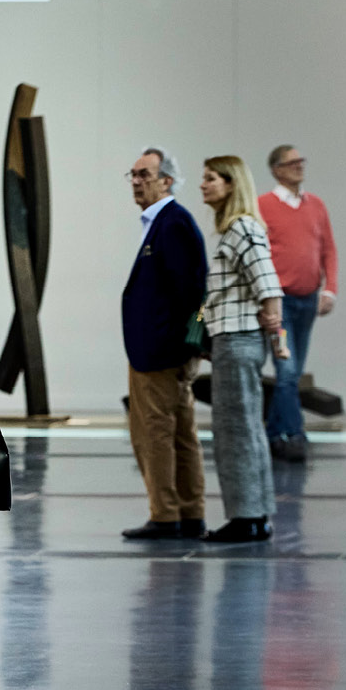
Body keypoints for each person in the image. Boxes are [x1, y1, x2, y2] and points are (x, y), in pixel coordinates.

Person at [120, 149, 208, 541]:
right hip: (163, 351)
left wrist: (174, 346)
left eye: (145, 174)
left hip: (159, 354)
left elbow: (189, 291)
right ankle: (189, 512)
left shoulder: (172, 223)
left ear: (167, 181)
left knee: (154, 434)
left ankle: (165, 514)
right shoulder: (165, 222)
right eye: (133, 174)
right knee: (180, 433)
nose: (137, 181)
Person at [200, 155, 284, 544]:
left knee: (235, 431)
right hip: (234, 339)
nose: (203, 185)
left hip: (237, 341)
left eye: (211, 178)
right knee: (245, 428)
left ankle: (246, 517)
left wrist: (276, 331)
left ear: (232, 184)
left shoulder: (242, 229)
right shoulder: (239, 229)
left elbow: (268, 285)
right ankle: (255, 515)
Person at [258, 146, 339, 462]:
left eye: (300, 161)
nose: (298, 166)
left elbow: (328, 250)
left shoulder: (315, 205)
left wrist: (329, 289)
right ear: (276, 169)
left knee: (292, 373)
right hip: (279, 306)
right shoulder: (263, 206)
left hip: (307, 303)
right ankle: (294, 435)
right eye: (291, 162)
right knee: (288, 370)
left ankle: (272, 435)